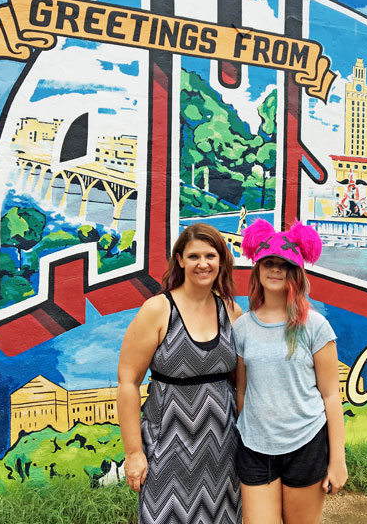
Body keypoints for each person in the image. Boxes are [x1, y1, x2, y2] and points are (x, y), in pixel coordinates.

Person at [117, 223, 243, 524]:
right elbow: (128, 382)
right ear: (180, 259)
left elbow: (242, 384)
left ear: (221, 260)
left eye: (211, 255)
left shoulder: (230, 311)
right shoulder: (158, 310)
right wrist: (134, 453)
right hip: (167, 444)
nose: (203, 263)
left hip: (223, 448)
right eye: (194, 256)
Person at [233, 219, 348, 524]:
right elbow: (241, 390)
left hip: (306, 443)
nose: (275, 269)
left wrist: (338, 461)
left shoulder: (315, 326)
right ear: (257, 268)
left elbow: (331, 395)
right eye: (268, 262)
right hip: (255, 448)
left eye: (283, 264)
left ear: (295, 272)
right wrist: (243, 432)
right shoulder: (242, 328)